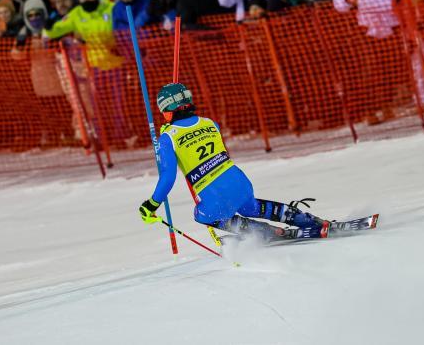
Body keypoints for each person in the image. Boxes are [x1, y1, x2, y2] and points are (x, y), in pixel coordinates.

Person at [137, 83, 331, 240]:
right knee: (251, 207)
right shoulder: (210, 123)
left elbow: (168, 178)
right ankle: (308, 220)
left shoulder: (167, 138)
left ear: (167, 110)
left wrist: (151, 205)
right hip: (240, 182)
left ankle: (265, 232)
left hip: (216, 195)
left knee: (202, 215)